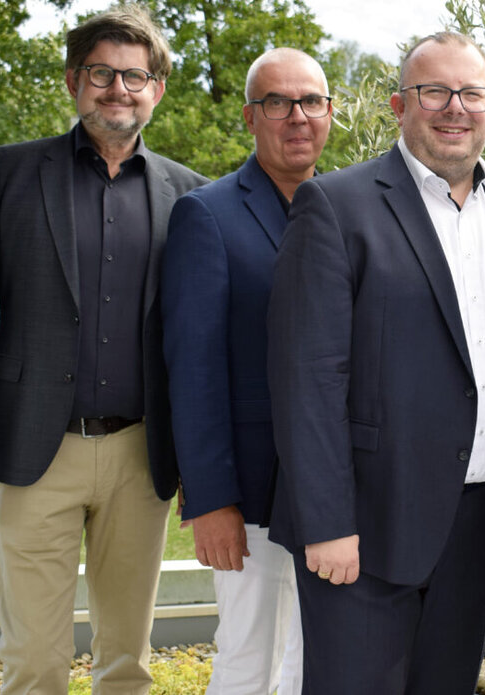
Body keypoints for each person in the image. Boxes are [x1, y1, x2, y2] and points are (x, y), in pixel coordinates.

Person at [266, 31, 485, 695]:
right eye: (434, 91)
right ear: (400, 104)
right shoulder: (336, 207)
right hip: (365, 526)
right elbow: (306, 379)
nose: (454, 107)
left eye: (471, 93)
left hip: (480, 525)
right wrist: (328, 521)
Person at [0, 4, 207, 693]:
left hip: (139, 453)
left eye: (134, 76)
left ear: (156, 88)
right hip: (36, 449)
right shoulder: (9, 172)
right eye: (101, 73)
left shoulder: (189, 196)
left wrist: (201, 462)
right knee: (33, 660)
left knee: (128, 660)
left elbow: (195, 341)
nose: (118, 88)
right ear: (72, 81)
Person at [162, 47, 332, 695]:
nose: (297, 116)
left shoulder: (347, 208)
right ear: (249, 117)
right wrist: (211, 500)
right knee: (246, 661)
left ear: (329, 112)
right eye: (277, 102)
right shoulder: (207, 215)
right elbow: (193, 370)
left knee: (309, 662)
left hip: (328, 494)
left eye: (310, 101)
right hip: (250, 497)